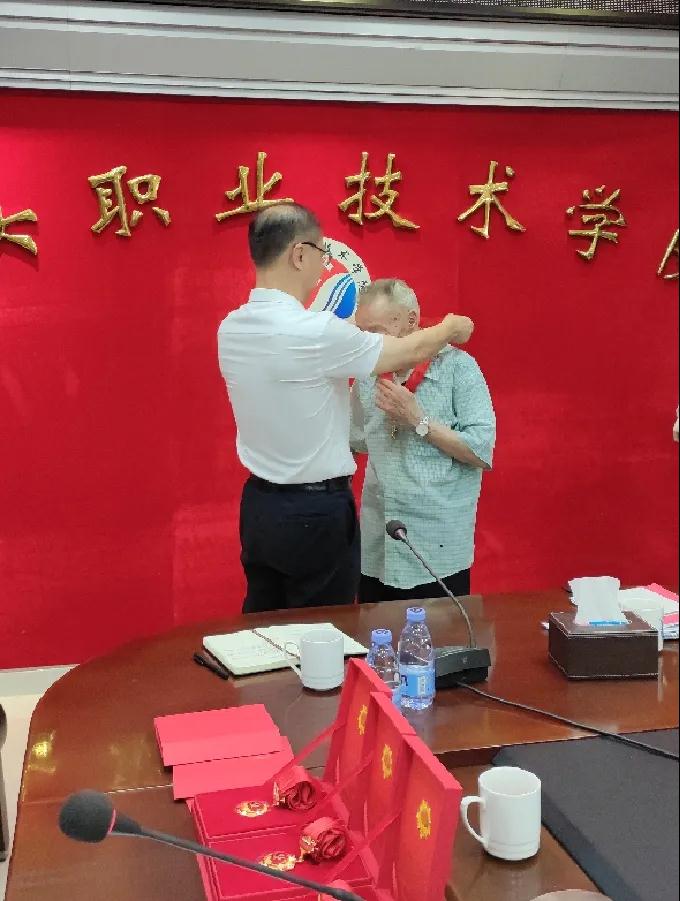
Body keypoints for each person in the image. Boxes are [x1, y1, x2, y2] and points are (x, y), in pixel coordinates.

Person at [217, 204, 474, 614]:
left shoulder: (231, 328)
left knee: (264, 626)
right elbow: (405, 352)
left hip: (259, 508)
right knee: (323, 631)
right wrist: (451, 327)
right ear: (299, 254)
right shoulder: (315, 333)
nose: (323, 266)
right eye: (322, 254)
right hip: (314, 515)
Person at [350, 278, 496, 602]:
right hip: (378, 543)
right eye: (362, 333)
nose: (369, 343)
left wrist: (419, 421)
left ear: (411, 320)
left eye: (376, 332)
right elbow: (354, 441)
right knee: (375, 632)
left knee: (441, 632)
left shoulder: (458, 368)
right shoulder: (366, 376)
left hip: (437, 547)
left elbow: (481, 451)